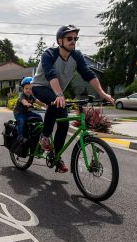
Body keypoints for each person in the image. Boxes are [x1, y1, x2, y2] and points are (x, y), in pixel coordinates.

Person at [31, 25, 115, 173]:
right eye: (69, 38)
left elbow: (88, 74)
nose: (73, 41)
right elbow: (51, 74)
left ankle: (56, 157)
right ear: (60, 41)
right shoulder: (49, 54)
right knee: (54, 103)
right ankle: (44, 137)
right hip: (40, 87)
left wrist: (103, 94)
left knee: (63, 124)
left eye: (75, 38)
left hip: (58, 92)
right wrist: (59, 95)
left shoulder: (76, 56)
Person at [13, 77, 46, 142]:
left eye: (30, 89)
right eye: (26, 88)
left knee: (39, 116)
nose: (28, 90)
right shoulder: (22, 95)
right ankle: (20, 137)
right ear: (23, 89)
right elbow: (23, 101)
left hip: (28, 112)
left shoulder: (31, 96)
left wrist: (45, 105)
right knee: (22, 121)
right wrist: (27, 104)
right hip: (19, 113)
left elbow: (37, 101)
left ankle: (41, 132)